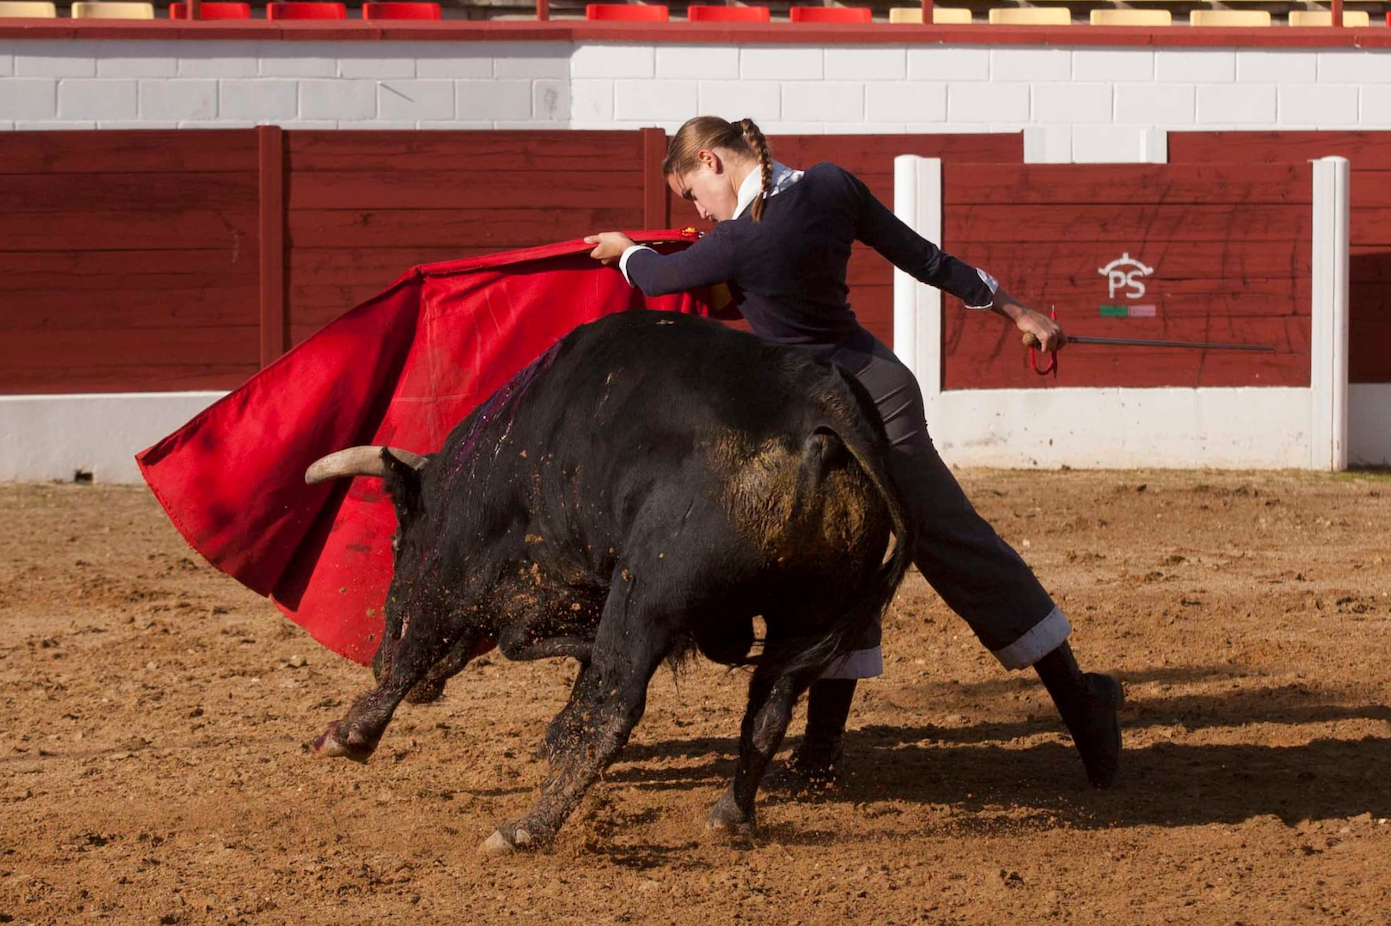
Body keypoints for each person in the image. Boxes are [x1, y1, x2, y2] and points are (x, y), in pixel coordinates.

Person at [584, 116, 1122, 790]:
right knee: (835, 557)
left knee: (942, 540)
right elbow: (924, 257)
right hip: (851, 393)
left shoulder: (738, 238)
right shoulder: (830, 186)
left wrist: (625, 248)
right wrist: (1017, 312)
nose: (697, 209)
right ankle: (820, 754)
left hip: (850, 409)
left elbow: (658, 280)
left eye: (692, 191)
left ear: (712, 162)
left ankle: (1082, 703)